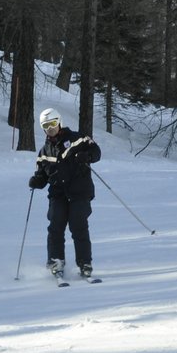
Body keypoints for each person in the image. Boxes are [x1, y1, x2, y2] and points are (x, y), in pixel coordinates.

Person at [28, 106, 100, 280]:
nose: (50, 129)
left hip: (79, 191)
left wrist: (87, 156)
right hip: (58, 194)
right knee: (55, 226)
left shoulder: (77, 138)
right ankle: (56, 261)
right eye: (46, 126)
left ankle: (84, 263)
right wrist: (37, 181)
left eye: (52, 124)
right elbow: (42, 174)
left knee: (78, 225)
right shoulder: (44, 152)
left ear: (59, 122)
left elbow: (96, 152)